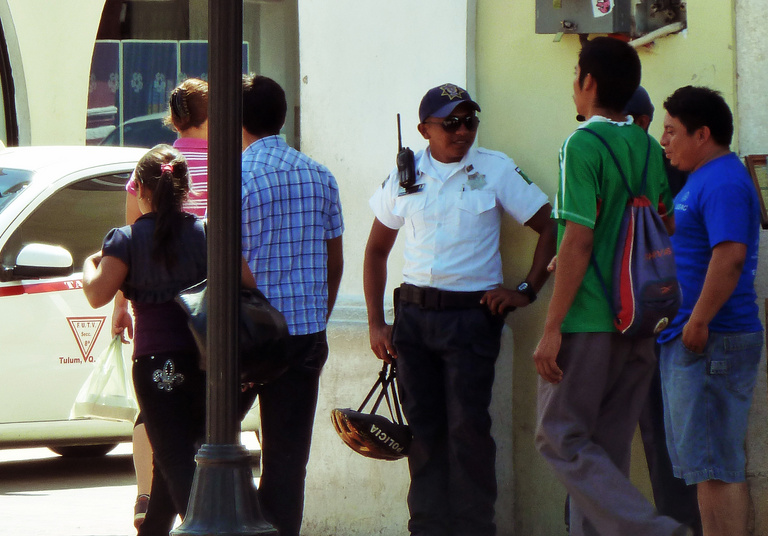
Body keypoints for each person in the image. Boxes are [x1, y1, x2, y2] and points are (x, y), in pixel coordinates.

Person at [364, 83, 555, 536]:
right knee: (423, 433)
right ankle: (427, 528)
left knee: (468, 431)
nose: (462, 131)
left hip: (471, 319)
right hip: (413, 320)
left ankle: (474, 528)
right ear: (424, 129)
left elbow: (552, 227)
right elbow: (375, 252)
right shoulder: (404, 175)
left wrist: (526, 289)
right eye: (450, 122)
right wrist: (376, 323)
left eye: (470, 121)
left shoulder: (495, 168)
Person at [533, 37, 689, 536]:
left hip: (589, 319)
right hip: (641, 318)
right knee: (606, 452)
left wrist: (552, 327)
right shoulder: (646, 145)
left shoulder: (580, 145)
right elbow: (661, 223)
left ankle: (653, 530)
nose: (572, 84)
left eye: (575, 73)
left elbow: (577, 240)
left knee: (559, 439)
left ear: (589, 82)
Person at [83, 145, 245, 536]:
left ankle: (206, 526)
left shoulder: (125, 239)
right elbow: (246, 286)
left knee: (174, 459)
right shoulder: (206, 233)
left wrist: (88, 264)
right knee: (174, 459)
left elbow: (97, 294)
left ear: (138, 189)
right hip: (204, 360)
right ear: (185, 188)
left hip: (156, 365)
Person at [240, 75, 344, 536]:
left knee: (201, 442)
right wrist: (318, 315)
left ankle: (233, 521)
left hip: (245, 337)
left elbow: (226, 263)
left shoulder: (237, 177)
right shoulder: (320, 175)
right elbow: (334, 259)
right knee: (287, 461)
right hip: (304, 333)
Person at [657, 87, 762, 536]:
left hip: (712, 339)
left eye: (671, 131)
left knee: (718, 466)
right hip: (694, 339)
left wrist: (698, 320)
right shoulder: (701, 179)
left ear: (702, 134)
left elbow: (730, 256)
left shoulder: (722, 180)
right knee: (705, 466)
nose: (664, 142)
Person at [112, 79, 210, 531]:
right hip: (204, 319)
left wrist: (119, 301)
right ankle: (167, 511)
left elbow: (131, 241)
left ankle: (147, 496)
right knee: (185, 425)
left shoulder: (154, 163)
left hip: (152, 310)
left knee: (156, 413)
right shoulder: (231, 161)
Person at [627, 86, 703, 534]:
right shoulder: (605, 157)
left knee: (666, 438)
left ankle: (680, 524)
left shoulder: (667, 166)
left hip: (660, 317)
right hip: (631, 317)